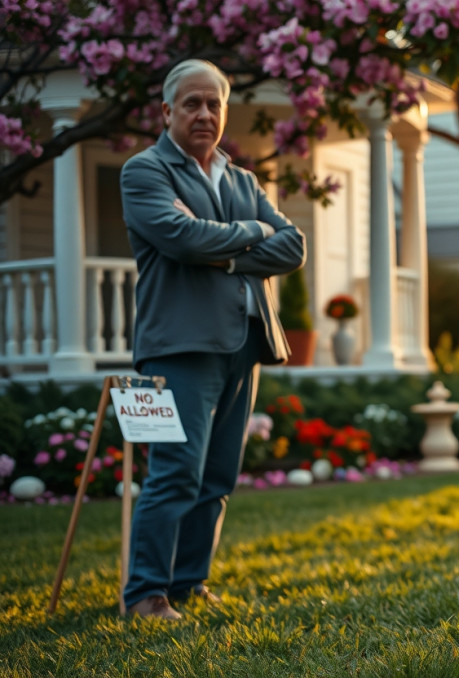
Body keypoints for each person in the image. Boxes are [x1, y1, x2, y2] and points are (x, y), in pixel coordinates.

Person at [120, 59, 306, 620]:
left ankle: (187, 583)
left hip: (244, 343)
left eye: (214, 104)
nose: (204, 114)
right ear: (167, 111)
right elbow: (179, 238)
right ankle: (145, 595)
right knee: (175, 472)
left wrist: (221, 251)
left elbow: (293, 246)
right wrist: (253, 236)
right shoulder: (144, 171)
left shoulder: (243, 179)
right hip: (180, 346)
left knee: (217, 476)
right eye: (193, 103)